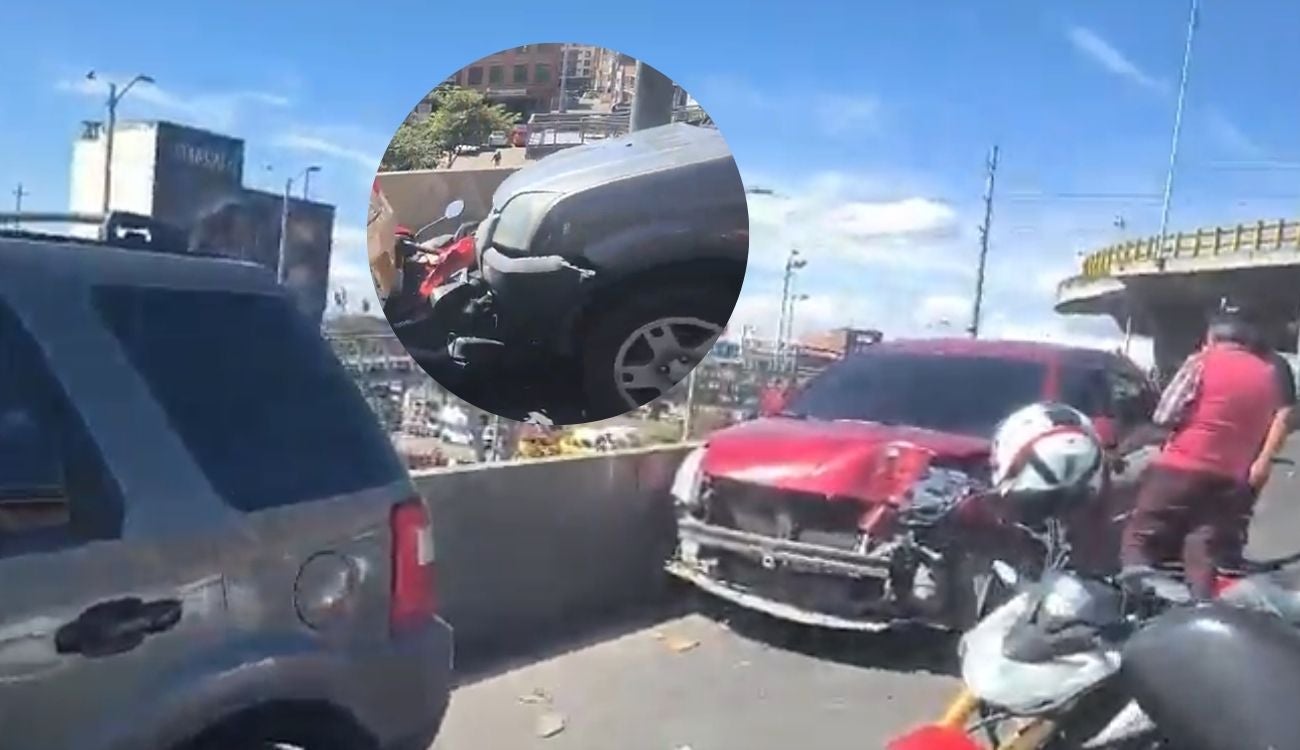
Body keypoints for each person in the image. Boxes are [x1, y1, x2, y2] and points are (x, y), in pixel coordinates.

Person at [1119, 309, 1282, 598]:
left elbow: (1164, 415)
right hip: (1230, 479)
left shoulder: (1203, 361)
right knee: (1202, 551)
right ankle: (1200, 612)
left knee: (1141, 540)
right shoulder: (1267, 376)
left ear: (1212, 337)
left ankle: (1134, 609)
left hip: (1181, 470)